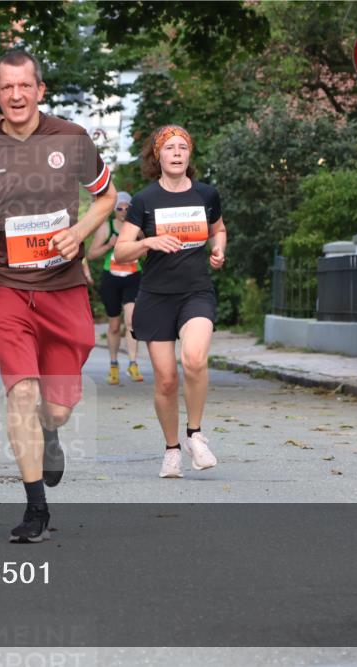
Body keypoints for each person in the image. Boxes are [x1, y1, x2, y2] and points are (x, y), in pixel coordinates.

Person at [0, 49, 116, 542]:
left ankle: (51, 431)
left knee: (57, 406)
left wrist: (81, 229)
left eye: (26, 86)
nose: (17, 95)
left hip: (64, 287)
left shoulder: (73, 137)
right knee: (20, 390)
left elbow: (106, 195)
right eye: (7, 88)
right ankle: (35, 510)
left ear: (40, 90)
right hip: (7, 286)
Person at [113, 125, 227, 478]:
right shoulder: (145, 201)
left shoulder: (206, 195)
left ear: (189, 155)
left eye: (183, 147)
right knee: (165, 380)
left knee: (193, 359)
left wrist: (219, 247)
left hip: (196, 292)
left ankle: (195, 434)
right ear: (157, 156)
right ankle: (172, 449)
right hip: (156, 296)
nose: (176, 153)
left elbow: (218, 229)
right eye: (169, 148)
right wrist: (149, 242)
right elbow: (121, 249)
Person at [87, 190, 144, 385]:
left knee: (131, 321)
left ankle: (133, 363)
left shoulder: (136, 228)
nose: (123, 211)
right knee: (113, 326)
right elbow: (91, 254)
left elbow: (147, 251)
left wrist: (138, 247)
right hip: (111, 278)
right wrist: (108, 245)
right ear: (114, 210)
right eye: (119, 208)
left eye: (126, 208)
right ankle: (113, 365)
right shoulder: (107, 227)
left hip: (133, 276)